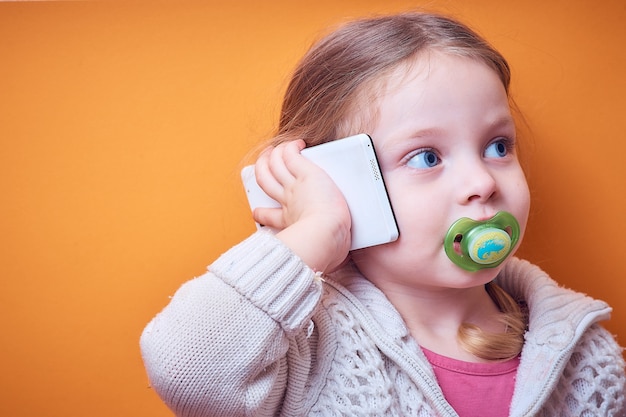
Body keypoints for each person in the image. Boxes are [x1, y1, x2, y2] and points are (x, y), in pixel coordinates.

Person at [140, 11, 625, 417]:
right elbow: (186, 369)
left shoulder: (586, 356)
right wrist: (314, 233)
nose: (482, 183)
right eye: (427, 157)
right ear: (334, 182)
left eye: (498, 146)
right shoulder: (303, 347)